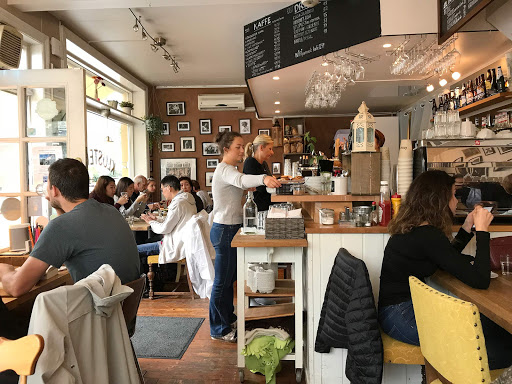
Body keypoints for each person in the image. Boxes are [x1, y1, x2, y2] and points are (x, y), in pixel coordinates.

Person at [378, 170, 512, 369]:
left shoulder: (417, 228)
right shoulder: (428, 235)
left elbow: (446, 258)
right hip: (402, 317)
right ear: (438, 200)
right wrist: (483, 231)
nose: (456, 201)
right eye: (452, 195)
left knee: (496, 331)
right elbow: (480, 280)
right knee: (502, 348)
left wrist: (467, 228)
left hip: (397, 312)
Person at [0, 158, 140, 297]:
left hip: (95, 315)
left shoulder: (61, 227)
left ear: (53, 190)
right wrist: (57, 206)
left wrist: (4, 269)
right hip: (120, 313)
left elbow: (16, 287)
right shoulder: (111, 211)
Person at [209, 131, 280, 342]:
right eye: (238, 147)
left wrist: (254, 184)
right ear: (226, 150)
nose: (242, 150)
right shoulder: (224, 170)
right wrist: (264, 178)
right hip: (224, 230)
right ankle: (218, 328)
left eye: (242, 147)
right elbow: (240, 180)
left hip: (230, 228)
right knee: (222, 282)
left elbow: (240, 182)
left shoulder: (229, 169)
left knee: (230, 279)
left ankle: (228, 318)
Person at [137, 175, 197, 262]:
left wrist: (151, 222)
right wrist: (156, 220)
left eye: (162, 189)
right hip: (183, 242)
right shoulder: (187, 199)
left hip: (175, 245)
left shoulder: (178, 203)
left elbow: (165, 229)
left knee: (135, 250)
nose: (162, 193)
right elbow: (176, 221)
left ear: (168, 188)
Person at [243, 134, 274, 211]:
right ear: (261, 147)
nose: (272, 152)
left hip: (268, 207)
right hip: (257, 210)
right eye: (270, 149)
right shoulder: (250, 162)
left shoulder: (264, 164)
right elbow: (260, 188)